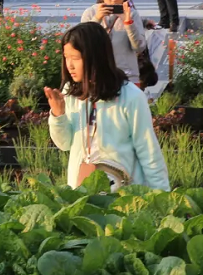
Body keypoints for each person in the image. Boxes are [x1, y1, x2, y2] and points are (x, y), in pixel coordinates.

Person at [44, 23, 170, 191]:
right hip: (81, 191)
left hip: (123, 194)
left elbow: (148, 151)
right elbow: (64, 144)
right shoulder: (71, 92)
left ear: (95, 57)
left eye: (76, 58)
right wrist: (58, 115)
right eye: (66, 57)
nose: (70, 65)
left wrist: (162, 197)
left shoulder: (131, 97)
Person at [80, 0, 145, 84]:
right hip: (97, 74)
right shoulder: (90, 13)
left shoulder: (132, 14)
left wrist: (128, 23)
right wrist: (97, 19)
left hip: (126, 75)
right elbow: (83, 44)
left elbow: (139, 47)